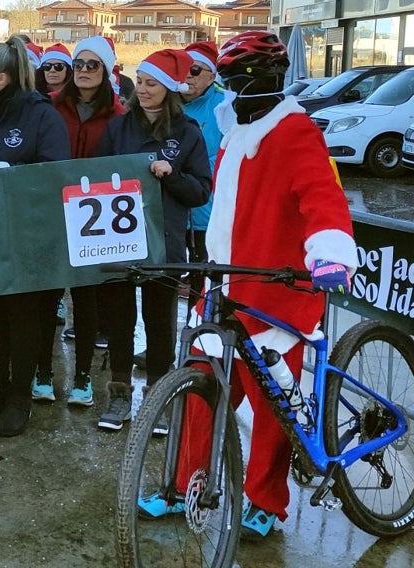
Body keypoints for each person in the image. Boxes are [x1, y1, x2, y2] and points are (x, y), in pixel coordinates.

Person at [145, 31, 355, 539]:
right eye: (231, 83)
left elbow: (321, 196)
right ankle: (184, 485)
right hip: (226, 285)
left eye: (244, 83)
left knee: (272, 407)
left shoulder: (295, 130)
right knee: (199, 389)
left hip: (278, 289)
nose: (236, 93)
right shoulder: (235, 129)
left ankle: (265, 501)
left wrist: (328, 253)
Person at [93, 49, 212, 432]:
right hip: (120, 241)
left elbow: (200, 191)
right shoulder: (119, 127)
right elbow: (96, 180)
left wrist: (170, 175)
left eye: (151, 84)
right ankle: (119, 394)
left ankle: (158, 397)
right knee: (120, 319)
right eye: (140, 82)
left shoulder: (188, 131)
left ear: (170, 89)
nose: (142, 90)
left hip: (165, 242)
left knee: (160, 323)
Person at [0, 37, 69, 438]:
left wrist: (10, 172)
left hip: (30, 231)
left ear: (2, 78)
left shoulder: (42, 115)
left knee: (24, 316)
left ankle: (20, 395)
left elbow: (56, 171)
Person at [50, 37, 126, 408]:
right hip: (50, 211)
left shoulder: (119, 116)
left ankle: (82, 375)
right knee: (47, 294)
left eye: (91, 65)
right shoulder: (51, 107)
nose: (82, 71)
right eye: (77, 64)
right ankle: (41, 372)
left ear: (107, 71)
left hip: (92, 218)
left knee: (86, 297)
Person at [181, 40, 224, 265]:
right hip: (171, 214)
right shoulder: (165, 102)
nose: (187, 75)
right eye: (183, 68)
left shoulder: (226, 106)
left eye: (195, 70)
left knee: (205, 275)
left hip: (209, 211)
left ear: (211, 75)